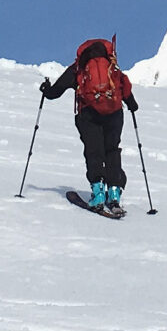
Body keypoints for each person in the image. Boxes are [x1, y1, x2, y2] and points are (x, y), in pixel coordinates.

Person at [39, 38, 137, 210]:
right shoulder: (112, 67)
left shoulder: (78, 68)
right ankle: (114, 193)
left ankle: (98, 194)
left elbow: (55, 92)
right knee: (112, 151)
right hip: (114, 115)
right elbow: (126, 88)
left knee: (94, 152)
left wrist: (46, 89)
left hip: (88, 114)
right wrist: (132, 105)